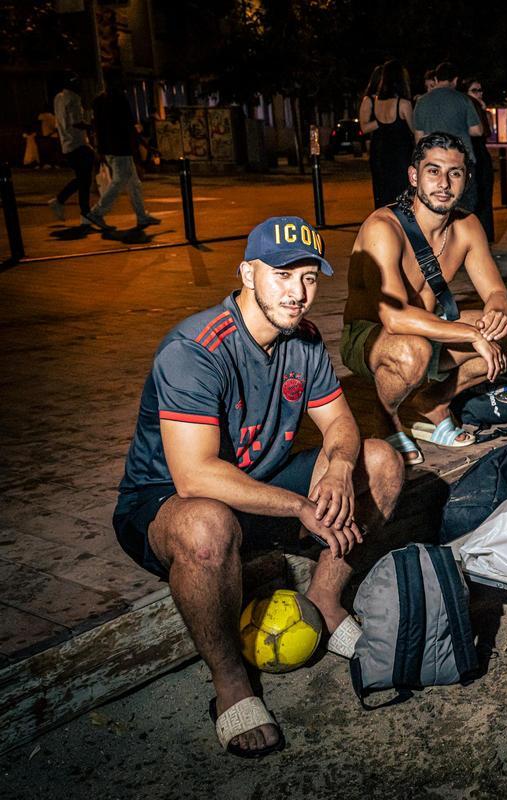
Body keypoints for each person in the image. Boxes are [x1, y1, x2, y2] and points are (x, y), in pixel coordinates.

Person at [112, 215, 404, 757]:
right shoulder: (195, 348)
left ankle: (325, 600)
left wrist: (340, 465)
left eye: (310, 279)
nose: (298, 293)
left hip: (258, 485)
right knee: (206, 523)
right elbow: (194, 475)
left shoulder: (303, 339)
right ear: (247, 272)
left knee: (381, 461)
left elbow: (341, 425)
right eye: (282, 275)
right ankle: (230, 683)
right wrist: (299, 506)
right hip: (166, 502)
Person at [342, 133, 507, 465]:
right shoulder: (384, 227)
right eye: (433, 171)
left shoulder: (467, 227)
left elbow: (496, 293)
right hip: (373, 336)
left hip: (430, 330)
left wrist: (497, 315)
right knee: (412, 350)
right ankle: (384, 419)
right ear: (414, 176)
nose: (443, 183)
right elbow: (394, 317)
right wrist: (473, 335)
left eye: (455, 173)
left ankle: (432, 402)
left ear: (466, 179)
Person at [85, 70, 159, 231]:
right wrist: (143, 145)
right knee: (121, 180)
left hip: (109, 147)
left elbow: (96, 126)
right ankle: (97, 212)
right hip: (121, 146)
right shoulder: (119, 98)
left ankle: (141, 216)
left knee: (133, 183)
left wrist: (99, 148)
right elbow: (129, 125)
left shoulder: (98, 101)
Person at [412, 62, 483, 212]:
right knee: (464, 206)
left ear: (436, 79)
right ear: (455, 80)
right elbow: (477, 130)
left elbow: (418, 138)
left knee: (438, 206)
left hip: (433, 163)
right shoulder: (463, 100)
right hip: (461, 160)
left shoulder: (422, 101)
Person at [360, 60, 415, 209]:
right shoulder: (403, 103)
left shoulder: (376, 101)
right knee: (403, 192)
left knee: (384, 193)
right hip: (401, 153)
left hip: (382, 152)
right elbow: (414, 129)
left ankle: (384, 224)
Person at [48, 72, 96, 225]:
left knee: (82, 179)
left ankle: (82, 211)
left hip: (67, 144)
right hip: (77, 142)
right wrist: (93, 126)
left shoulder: (58, 98)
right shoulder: (74, 98)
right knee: (84, 179)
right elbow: (76, 122)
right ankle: (71, 205)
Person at [463, 78, 496, 242]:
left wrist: (484, 109)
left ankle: (486, 237)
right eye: (474, 90)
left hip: (482, 154)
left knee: (485, 195)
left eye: (480, 90)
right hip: (472, 154)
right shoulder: (466, 109)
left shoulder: (480, 110)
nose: (479, 94)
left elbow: (488, 132)